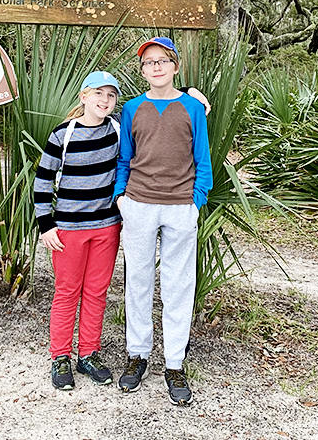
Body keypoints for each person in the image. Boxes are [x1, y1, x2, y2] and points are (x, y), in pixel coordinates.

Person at [112, 36, 212, 407]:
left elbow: (202, 158)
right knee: (137, 281)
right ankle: (137, 356)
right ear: (143, 71)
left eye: (162, 60)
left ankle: (174, 363)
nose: (155, 67)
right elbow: (126, 157)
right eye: (148, 62)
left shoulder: (192, 108)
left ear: (174, 66)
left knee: (178, 286)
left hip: (180, 207)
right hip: (139, 204)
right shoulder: (133, 108)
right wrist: (122, 196)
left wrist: (196, 199)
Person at [33, 71, 123, 391]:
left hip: (107, 227)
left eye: (111, 95)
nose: (104, 100)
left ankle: (88, 353)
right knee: (67, 292)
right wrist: (46, 224)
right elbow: (43, 182)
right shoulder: (63, 135)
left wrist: (185, 90)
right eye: (98, 93)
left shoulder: (118, 131)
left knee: (96, 292)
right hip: (68, 229)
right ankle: (60, 356)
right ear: (84, 96)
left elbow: (150, 109)